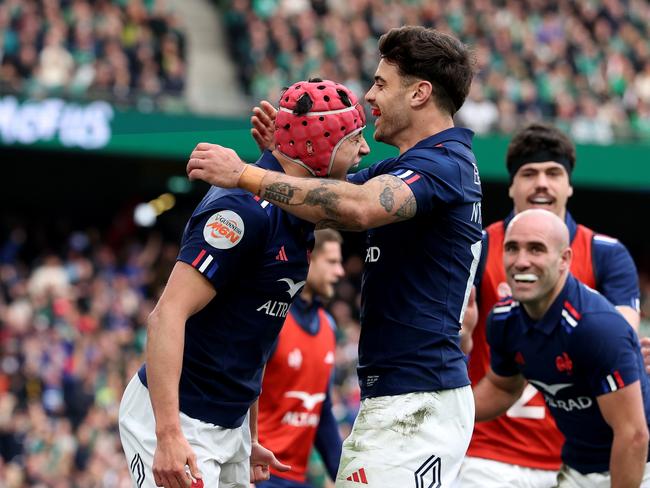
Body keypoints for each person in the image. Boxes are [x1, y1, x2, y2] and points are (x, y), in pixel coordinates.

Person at [187, 25, 482, 487]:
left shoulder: (444, 165)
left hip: (418, 398)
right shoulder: (416, 163)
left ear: (421, 93)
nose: (370, 95)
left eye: (382, 83)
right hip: (405, 395)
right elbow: (327, 200)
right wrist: (283, 160)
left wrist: (245, 174)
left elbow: (359, 208)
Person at [118, 78, 369, 488]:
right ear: (320, 145)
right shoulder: (242, 213)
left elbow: (256, 335)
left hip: (230, 425)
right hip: (183, 420)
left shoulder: (298, 215)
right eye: (355, 138)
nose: (364, 149)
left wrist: (249, 435)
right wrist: (166, 436)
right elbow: (166, 316)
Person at [460, 122, 641, 487]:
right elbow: (465, 348)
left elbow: (619, 343)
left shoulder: (605, 254)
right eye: (529, 173)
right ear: (510, 185)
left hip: (579, 458)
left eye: (553, 173)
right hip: (490, 450)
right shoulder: (475, 249)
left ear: (569, 184)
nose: (541, 183)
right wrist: (459, 341)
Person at [473, 208, 650, 487]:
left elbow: (633, 435)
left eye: (536, 249)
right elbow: (502, 387)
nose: (521, 261)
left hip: (639, 464)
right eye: (512, 248)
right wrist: (445, 412)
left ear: (564, 259)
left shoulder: (596, 328)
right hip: (579, 467)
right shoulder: (503, 320)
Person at [256, 229, 344, 488]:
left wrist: (345, 479)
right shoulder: (274, 320)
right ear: (308, 260)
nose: (339, 272)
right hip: (259, 475)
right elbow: (243, 396)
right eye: (331, 262)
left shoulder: (329, 327)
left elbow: (322, 412)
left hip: (297, 478)